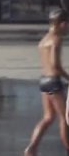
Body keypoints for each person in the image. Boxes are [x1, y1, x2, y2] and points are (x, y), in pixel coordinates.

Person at [24, 9, 69, 156]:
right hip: (53, 82)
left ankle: (31, 148)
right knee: (64, 118)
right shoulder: (56, 39)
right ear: (62, 24)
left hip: (44, 81)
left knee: (48, 117)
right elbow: (55, 65)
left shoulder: (43, 40)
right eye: (67, 25)